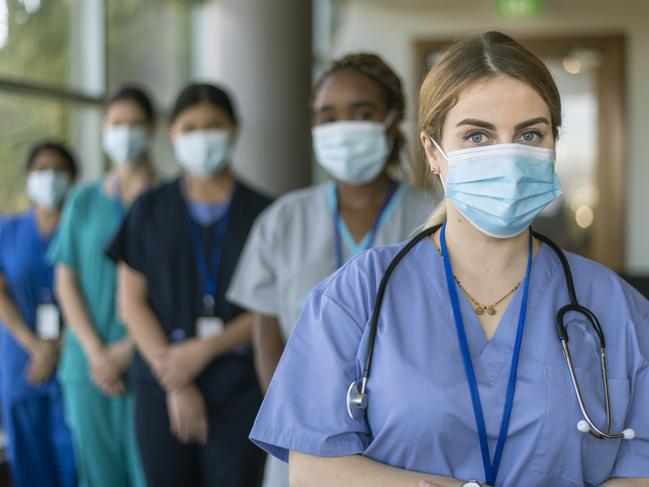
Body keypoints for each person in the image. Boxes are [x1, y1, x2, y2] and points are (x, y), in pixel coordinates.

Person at [248, 32, 649, 487]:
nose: (507, 155)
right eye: (477, 135)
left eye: (529, 134)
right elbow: (314, 468)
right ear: (432, 152)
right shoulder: (359, 293)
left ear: (553, 145)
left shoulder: (616, 309)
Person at [228, 52, 438, 487]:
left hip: (407, 438)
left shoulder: (433, 219)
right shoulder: (284, 219)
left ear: (391, 119)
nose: (343, 128)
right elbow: (265, 326)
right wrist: (292, 410)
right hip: (303, 435)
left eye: (361, 114)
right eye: (328, 116)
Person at [108, 82, 270, 487]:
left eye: (213, 126)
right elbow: (131, 303)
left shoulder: (265, 213)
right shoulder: (148, 209)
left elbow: (270, 306)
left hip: (237, 389)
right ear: (172, 134)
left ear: (234, 130)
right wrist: (175, 377)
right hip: (161, 388)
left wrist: (205, 350)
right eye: (190, 127)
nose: (202, 137)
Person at [49, 84, 157, 487]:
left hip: (147, 356)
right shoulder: (83, 200)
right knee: (98, 477)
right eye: (117, 124)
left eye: (135, 124)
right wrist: (97, 354)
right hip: (87, 365)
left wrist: (127, 350)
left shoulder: (166, 200)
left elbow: (170, 287)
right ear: (103, 129)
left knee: (147, 472)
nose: (125, 133)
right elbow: (66, 283)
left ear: (153, 129)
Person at [0, 141, 78, 487]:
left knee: (73, 459)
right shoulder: (9, 230)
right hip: (22, 361)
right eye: (41, 169)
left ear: (72, 178)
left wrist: (58, 345)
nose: (50, 177)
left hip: (73, 356)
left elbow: (89, 294)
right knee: (28, 463)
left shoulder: (80, 229)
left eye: (59, 169)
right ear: (29, 177)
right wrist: (35, 345)